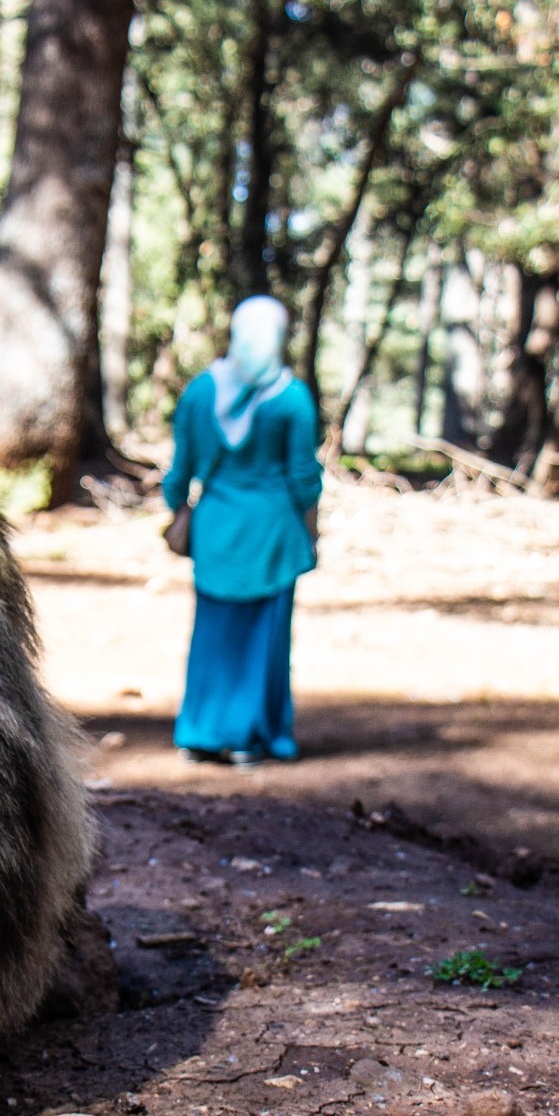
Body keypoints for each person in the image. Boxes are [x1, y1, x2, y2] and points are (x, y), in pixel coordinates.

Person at [161, 295, 323, 767]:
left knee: (212, 633)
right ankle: (253, 737)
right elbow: (304, 479)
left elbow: (179, 474)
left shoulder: (200, 392)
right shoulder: (291, 399)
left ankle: (200, 733)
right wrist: (312, 533)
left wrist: (178, 512)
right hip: (273, 534)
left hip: (216, 530)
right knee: (264, 639)